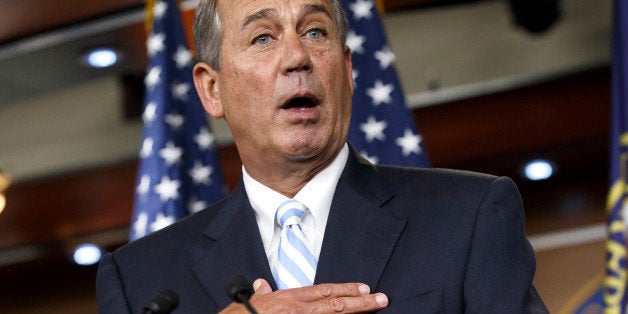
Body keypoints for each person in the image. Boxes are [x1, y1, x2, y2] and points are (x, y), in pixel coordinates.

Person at [96, 0, 548, 313]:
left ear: (348, 70)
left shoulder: (467, 216)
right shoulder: (140, 279)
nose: (297, 56)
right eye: (262, 38)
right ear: (212, 90)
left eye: (315, 32)